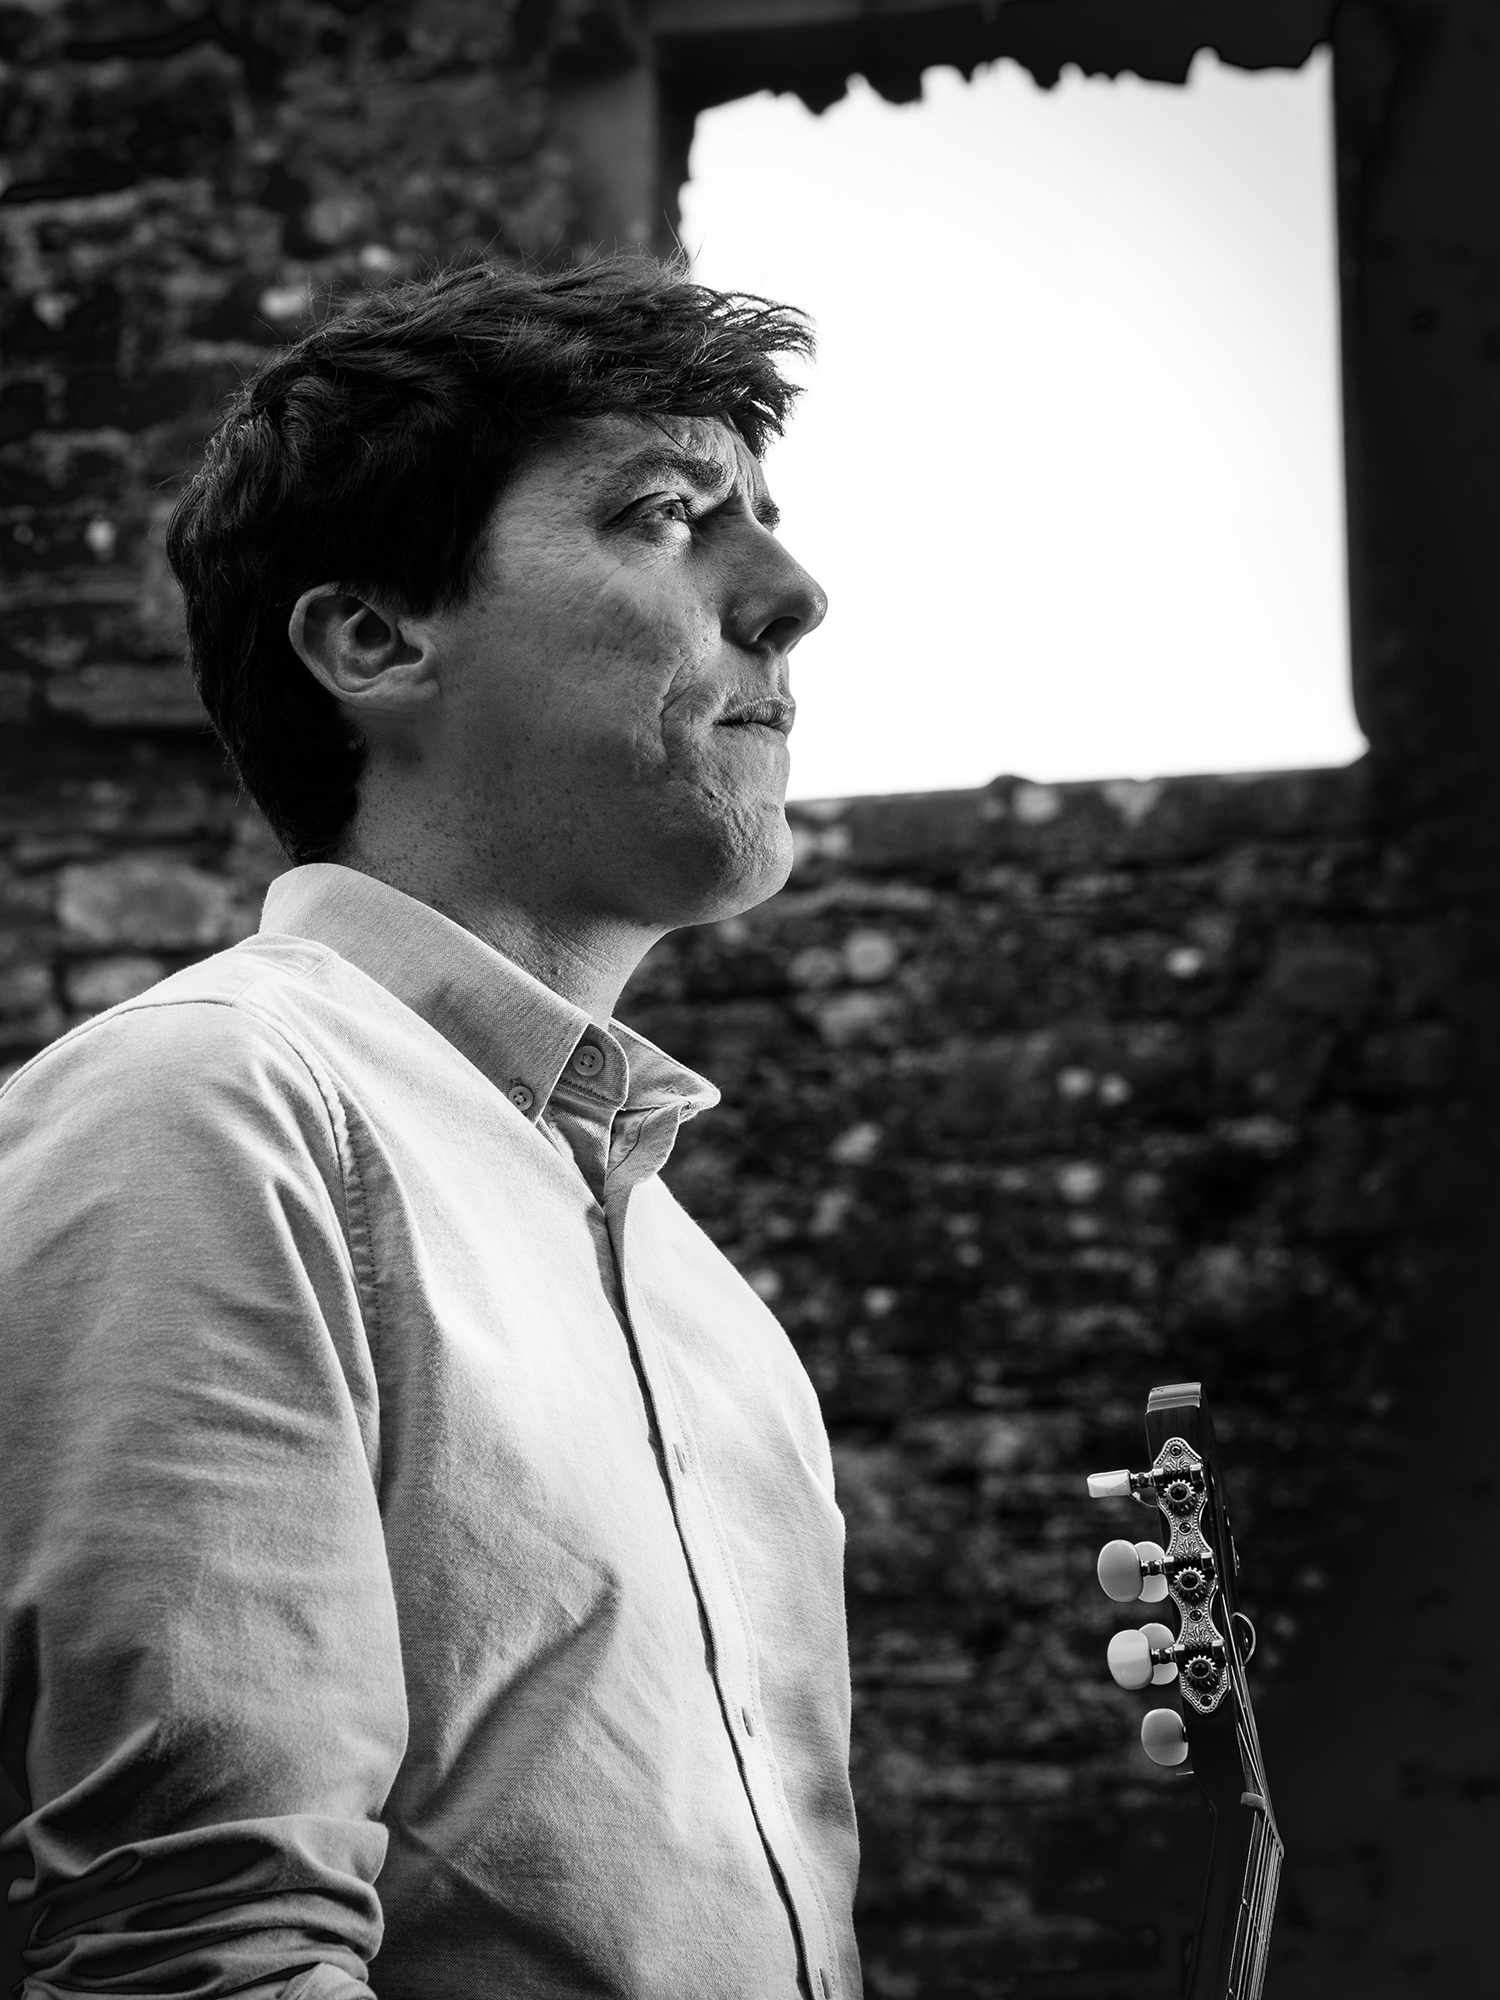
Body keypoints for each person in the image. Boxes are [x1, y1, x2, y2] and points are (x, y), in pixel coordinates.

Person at [0, 257, 860, 2000]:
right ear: (376, 640)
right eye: (668, 515)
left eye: (763, 518)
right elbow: (204, 1954)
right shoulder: (214, 1110)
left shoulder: (713, 1303)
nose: (792, 592)